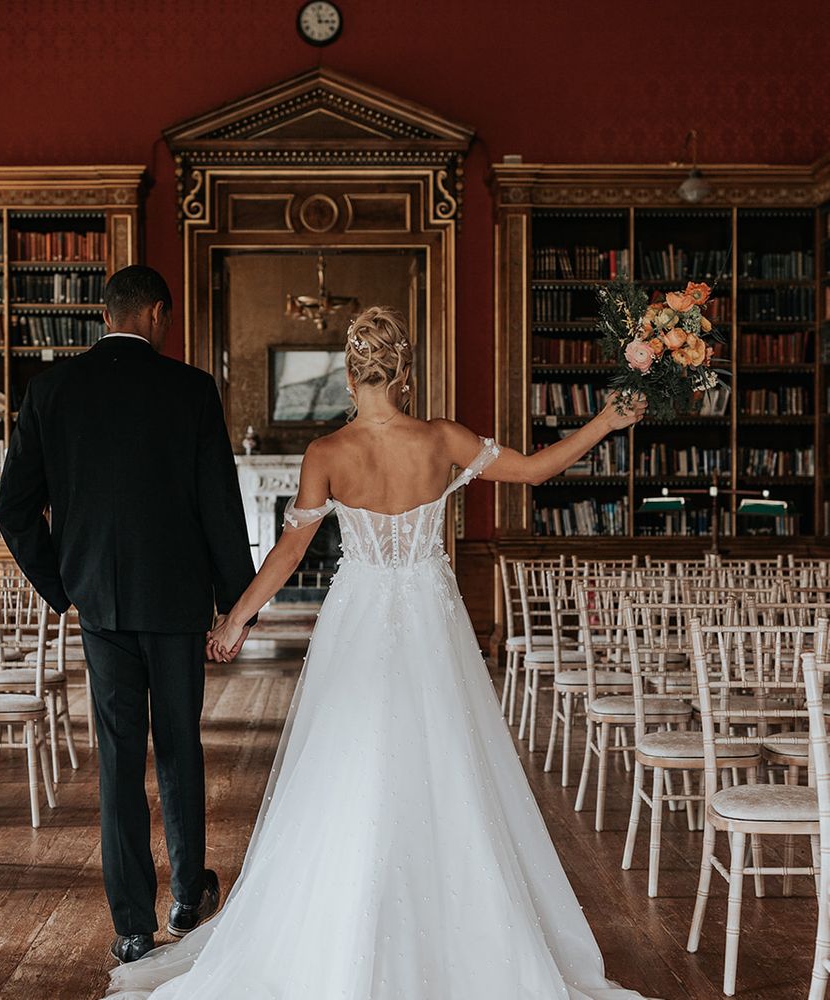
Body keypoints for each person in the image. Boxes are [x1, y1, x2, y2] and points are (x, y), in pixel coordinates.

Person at [107, 305, 653, 1000]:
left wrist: (236, 619)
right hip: (431, 617)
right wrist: (606, 420)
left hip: (360, 620)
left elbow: (289, 551)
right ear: (405, 372)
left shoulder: (328, 454)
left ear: (348, 372)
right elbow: (537, 470)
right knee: (447, 761)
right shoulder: (443, 438)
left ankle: (340, 929)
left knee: (348, 764)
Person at [0, 265, 256, 966]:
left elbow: (11, 509)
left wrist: (64, 586)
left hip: (100, 606)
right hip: (175, 603)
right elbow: (220, 507)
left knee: (118, 762)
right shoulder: (191, 390)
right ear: (159, 316)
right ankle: (186, 898)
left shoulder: (51, 391)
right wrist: (238, 603)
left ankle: (133, 924)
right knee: (178, 749)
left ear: (106, 316)